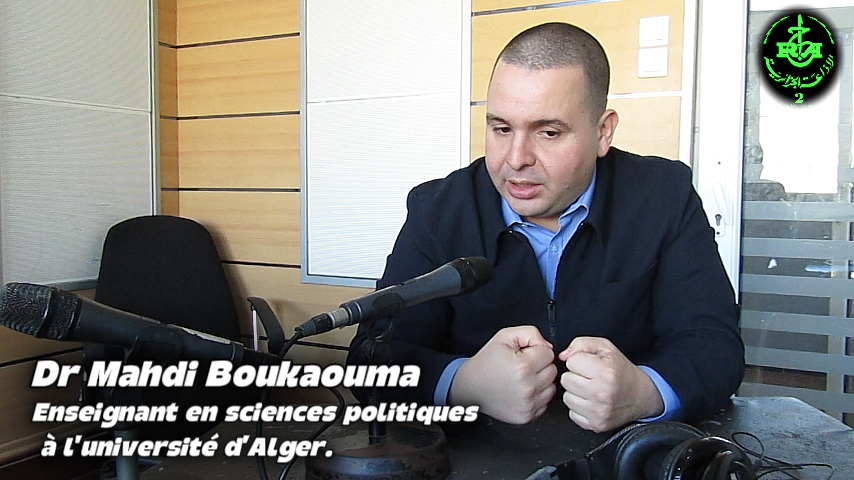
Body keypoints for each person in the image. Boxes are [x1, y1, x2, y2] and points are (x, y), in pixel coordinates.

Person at [347, 22, 744, 433]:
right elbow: (370, 362)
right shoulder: (438, 211)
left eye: (548, 132)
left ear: (603, 132)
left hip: (626, 451)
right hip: (478, 455)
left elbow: (715, 347)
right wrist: (465, 384)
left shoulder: (664, 197)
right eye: (501, 129)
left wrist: (644, 392)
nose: (516, 158)